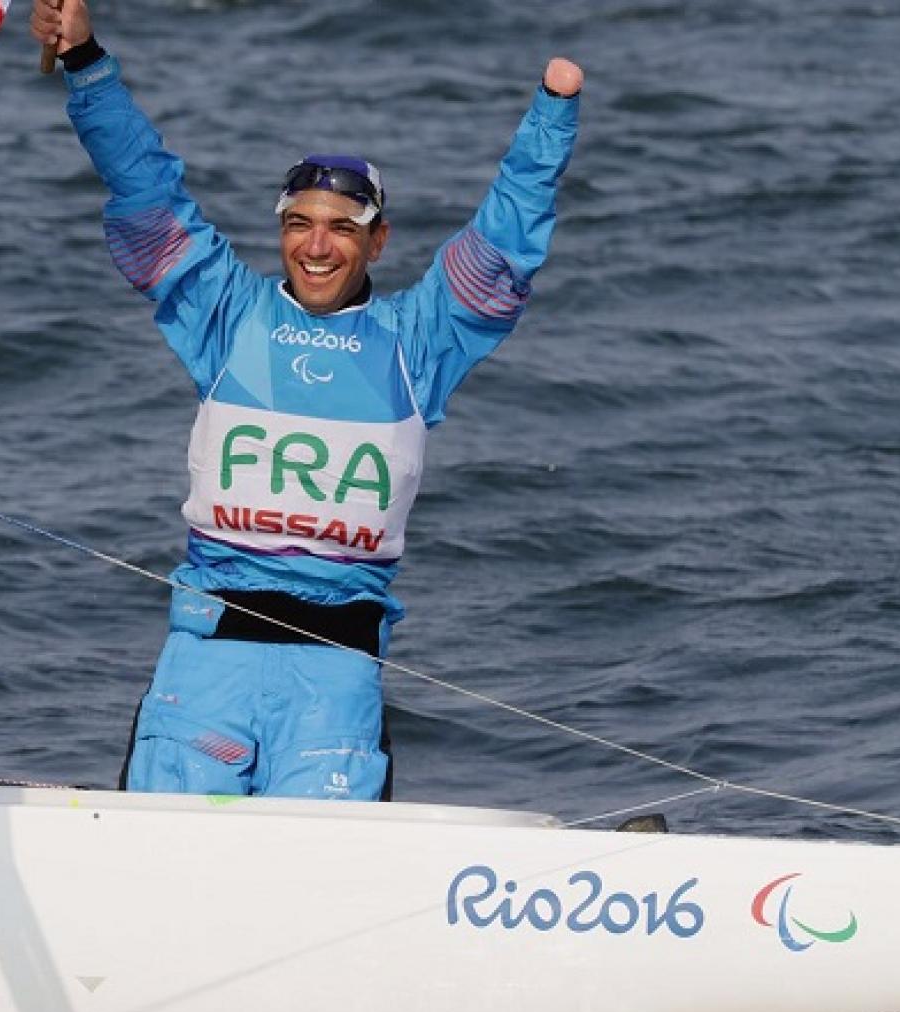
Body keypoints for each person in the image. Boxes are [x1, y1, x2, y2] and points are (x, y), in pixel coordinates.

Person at [30, 0, 582, 801]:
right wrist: (86, 63)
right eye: (298, 223)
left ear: (378, 240)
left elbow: (504, 244)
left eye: (341, 227)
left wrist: (551, 114)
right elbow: (144, 190)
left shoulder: (416, 342)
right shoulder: (228, 315)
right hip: (206, 664)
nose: (316, 245)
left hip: (334, 686)